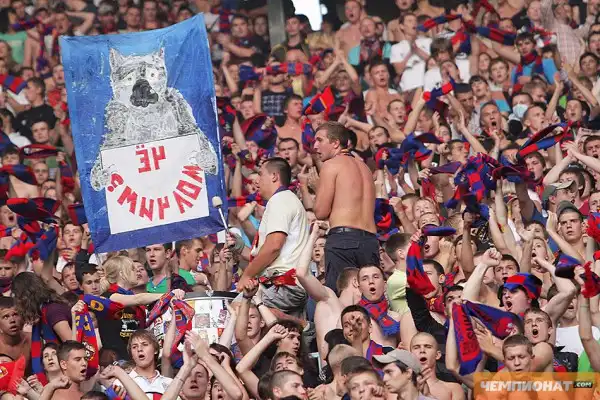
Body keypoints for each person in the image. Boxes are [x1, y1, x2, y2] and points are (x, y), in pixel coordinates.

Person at [238, 157, 309, 317]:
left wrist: (247, 275)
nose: (257, 180)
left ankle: (305, 326)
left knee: (239, 310)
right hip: (289, 284)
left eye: (261, 174)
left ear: (274, 176)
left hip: (284, 285)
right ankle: (302, 326)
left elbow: (273, 247)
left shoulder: (280, 200)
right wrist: (239, 247)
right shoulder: (287, 199)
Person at [312, 122, 379, 291]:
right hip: (370, 242)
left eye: (320, 140)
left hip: (343, 241)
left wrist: (316, 187)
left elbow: (320, 212)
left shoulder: (331, 165)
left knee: (341, 299)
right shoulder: (365, 168)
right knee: (368, 299)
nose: (315, 146)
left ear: (335, 143)